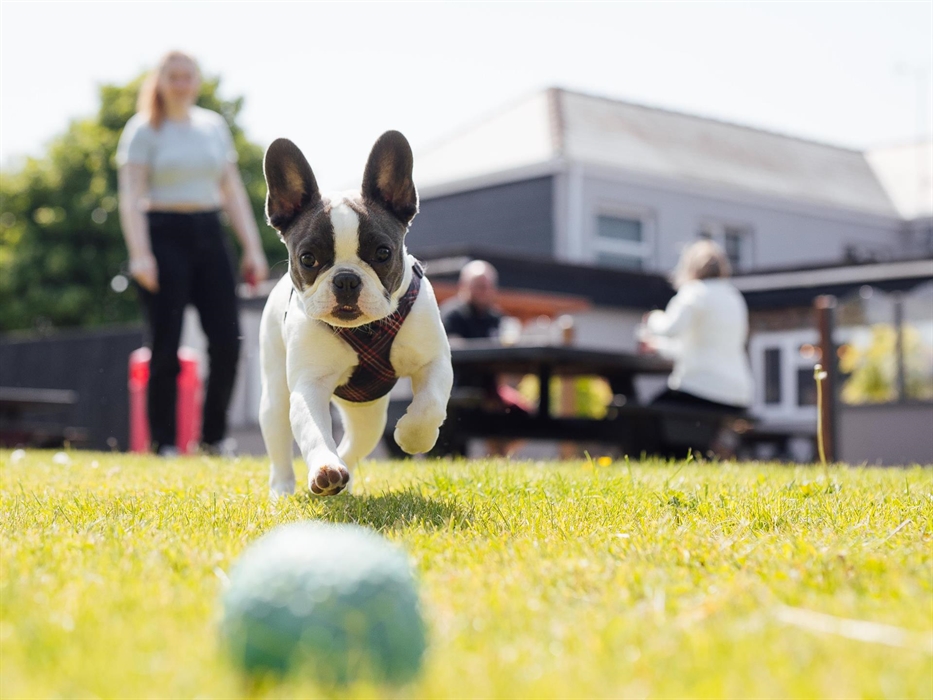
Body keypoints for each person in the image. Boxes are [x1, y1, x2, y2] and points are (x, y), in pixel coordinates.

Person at [117, 50, 268, 456]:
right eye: (174, 77)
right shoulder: (143, 129)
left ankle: (213, 439)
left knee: (227, 342)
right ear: (161, 81)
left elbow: (232, 191)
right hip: (162, 234)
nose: (182, 84)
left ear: (197, 80)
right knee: (165, 344)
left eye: (188, 76)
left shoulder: (213, 126)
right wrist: (140, 254)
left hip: (210, 233)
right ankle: (164, 443)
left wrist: (252, 248)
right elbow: (130, 196)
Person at [639, 239, 753, 414]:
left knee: (646, 415)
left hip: (701, 388)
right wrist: (659, 347)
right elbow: (701, 347)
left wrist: (652, 319)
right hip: (738, 393)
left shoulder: (694, 292)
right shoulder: (734, 297)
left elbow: (669, 329)